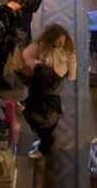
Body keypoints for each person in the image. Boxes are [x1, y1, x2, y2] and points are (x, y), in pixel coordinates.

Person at [18, 23, 77, 159]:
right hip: (45, 78)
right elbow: (27, 54)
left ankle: (44, 144)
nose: (61, 45)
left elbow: (72, 58)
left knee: (45, 107)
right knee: (41, 98)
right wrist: (36, 65)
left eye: (63, 41)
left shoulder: (69, 42)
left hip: (56, 79)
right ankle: (45, 136)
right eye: (58, 42)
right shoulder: (41, 45)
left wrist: (72, 76)